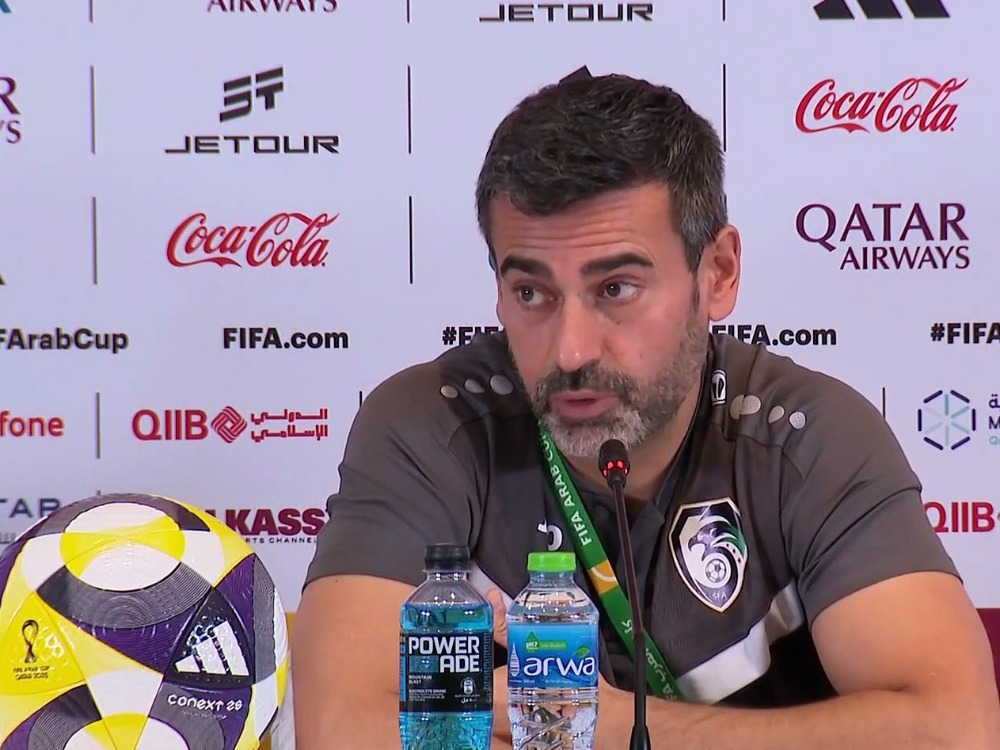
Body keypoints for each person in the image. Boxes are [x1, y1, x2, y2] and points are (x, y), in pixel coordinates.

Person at [291, 69, 1000, 749]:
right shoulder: (430, 426)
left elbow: (954, 731)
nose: (570, 350)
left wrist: (621, 733)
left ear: (717, 274)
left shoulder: (809, 439)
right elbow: (344, 731)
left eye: (616, 288)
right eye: (532, 293)